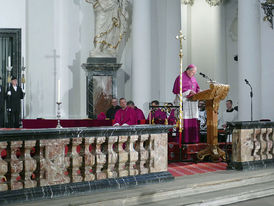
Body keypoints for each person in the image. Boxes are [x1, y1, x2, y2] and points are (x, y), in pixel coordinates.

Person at [172, 64, 200, 143]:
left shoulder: (193, 78)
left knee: (193, 121)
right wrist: (188, 92)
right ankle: (184, 140)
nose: (194, 74)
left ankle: (193, 140)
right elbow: (177, 91)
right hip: (184, 103)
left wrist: (199, 91)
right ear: (188, 70)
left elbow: (197, 88)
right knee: (184, 123)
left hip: (192, 104)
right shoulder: (180, 78)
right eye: (193, 72)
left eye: (195, 72)